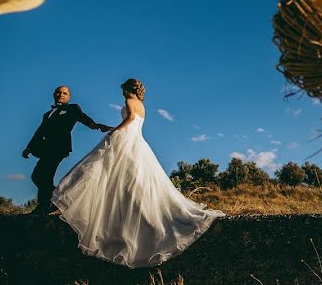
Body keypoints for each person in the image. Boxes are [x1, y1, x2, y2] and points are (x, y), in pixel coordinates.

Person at [52, 78, 224, 268]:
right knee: (136, 180)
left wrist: (115, 131)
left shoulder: (129, 102)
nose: (122, 94)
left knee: (103, 172)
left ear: (127, 89)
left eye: (123, 90)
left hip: (127, 140)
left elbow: (131, 118)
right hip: (138, 142)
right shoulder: (141, 104)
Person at [23, 86, 111, 214]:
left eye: (65, 93)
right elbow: (39, 131)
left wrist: (95, 125)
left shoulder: (72, 108)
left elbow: (82, 117)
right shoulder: (47, 114)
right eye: (59, 93)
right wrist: (29, 147)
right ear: (54, 95)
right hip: (45, 149)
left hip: (59, 147)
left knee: (44, 175)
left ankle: (46, 205)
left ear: (69, 97)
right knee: (38, 176)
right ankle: (56, 202)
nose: (61, 95)